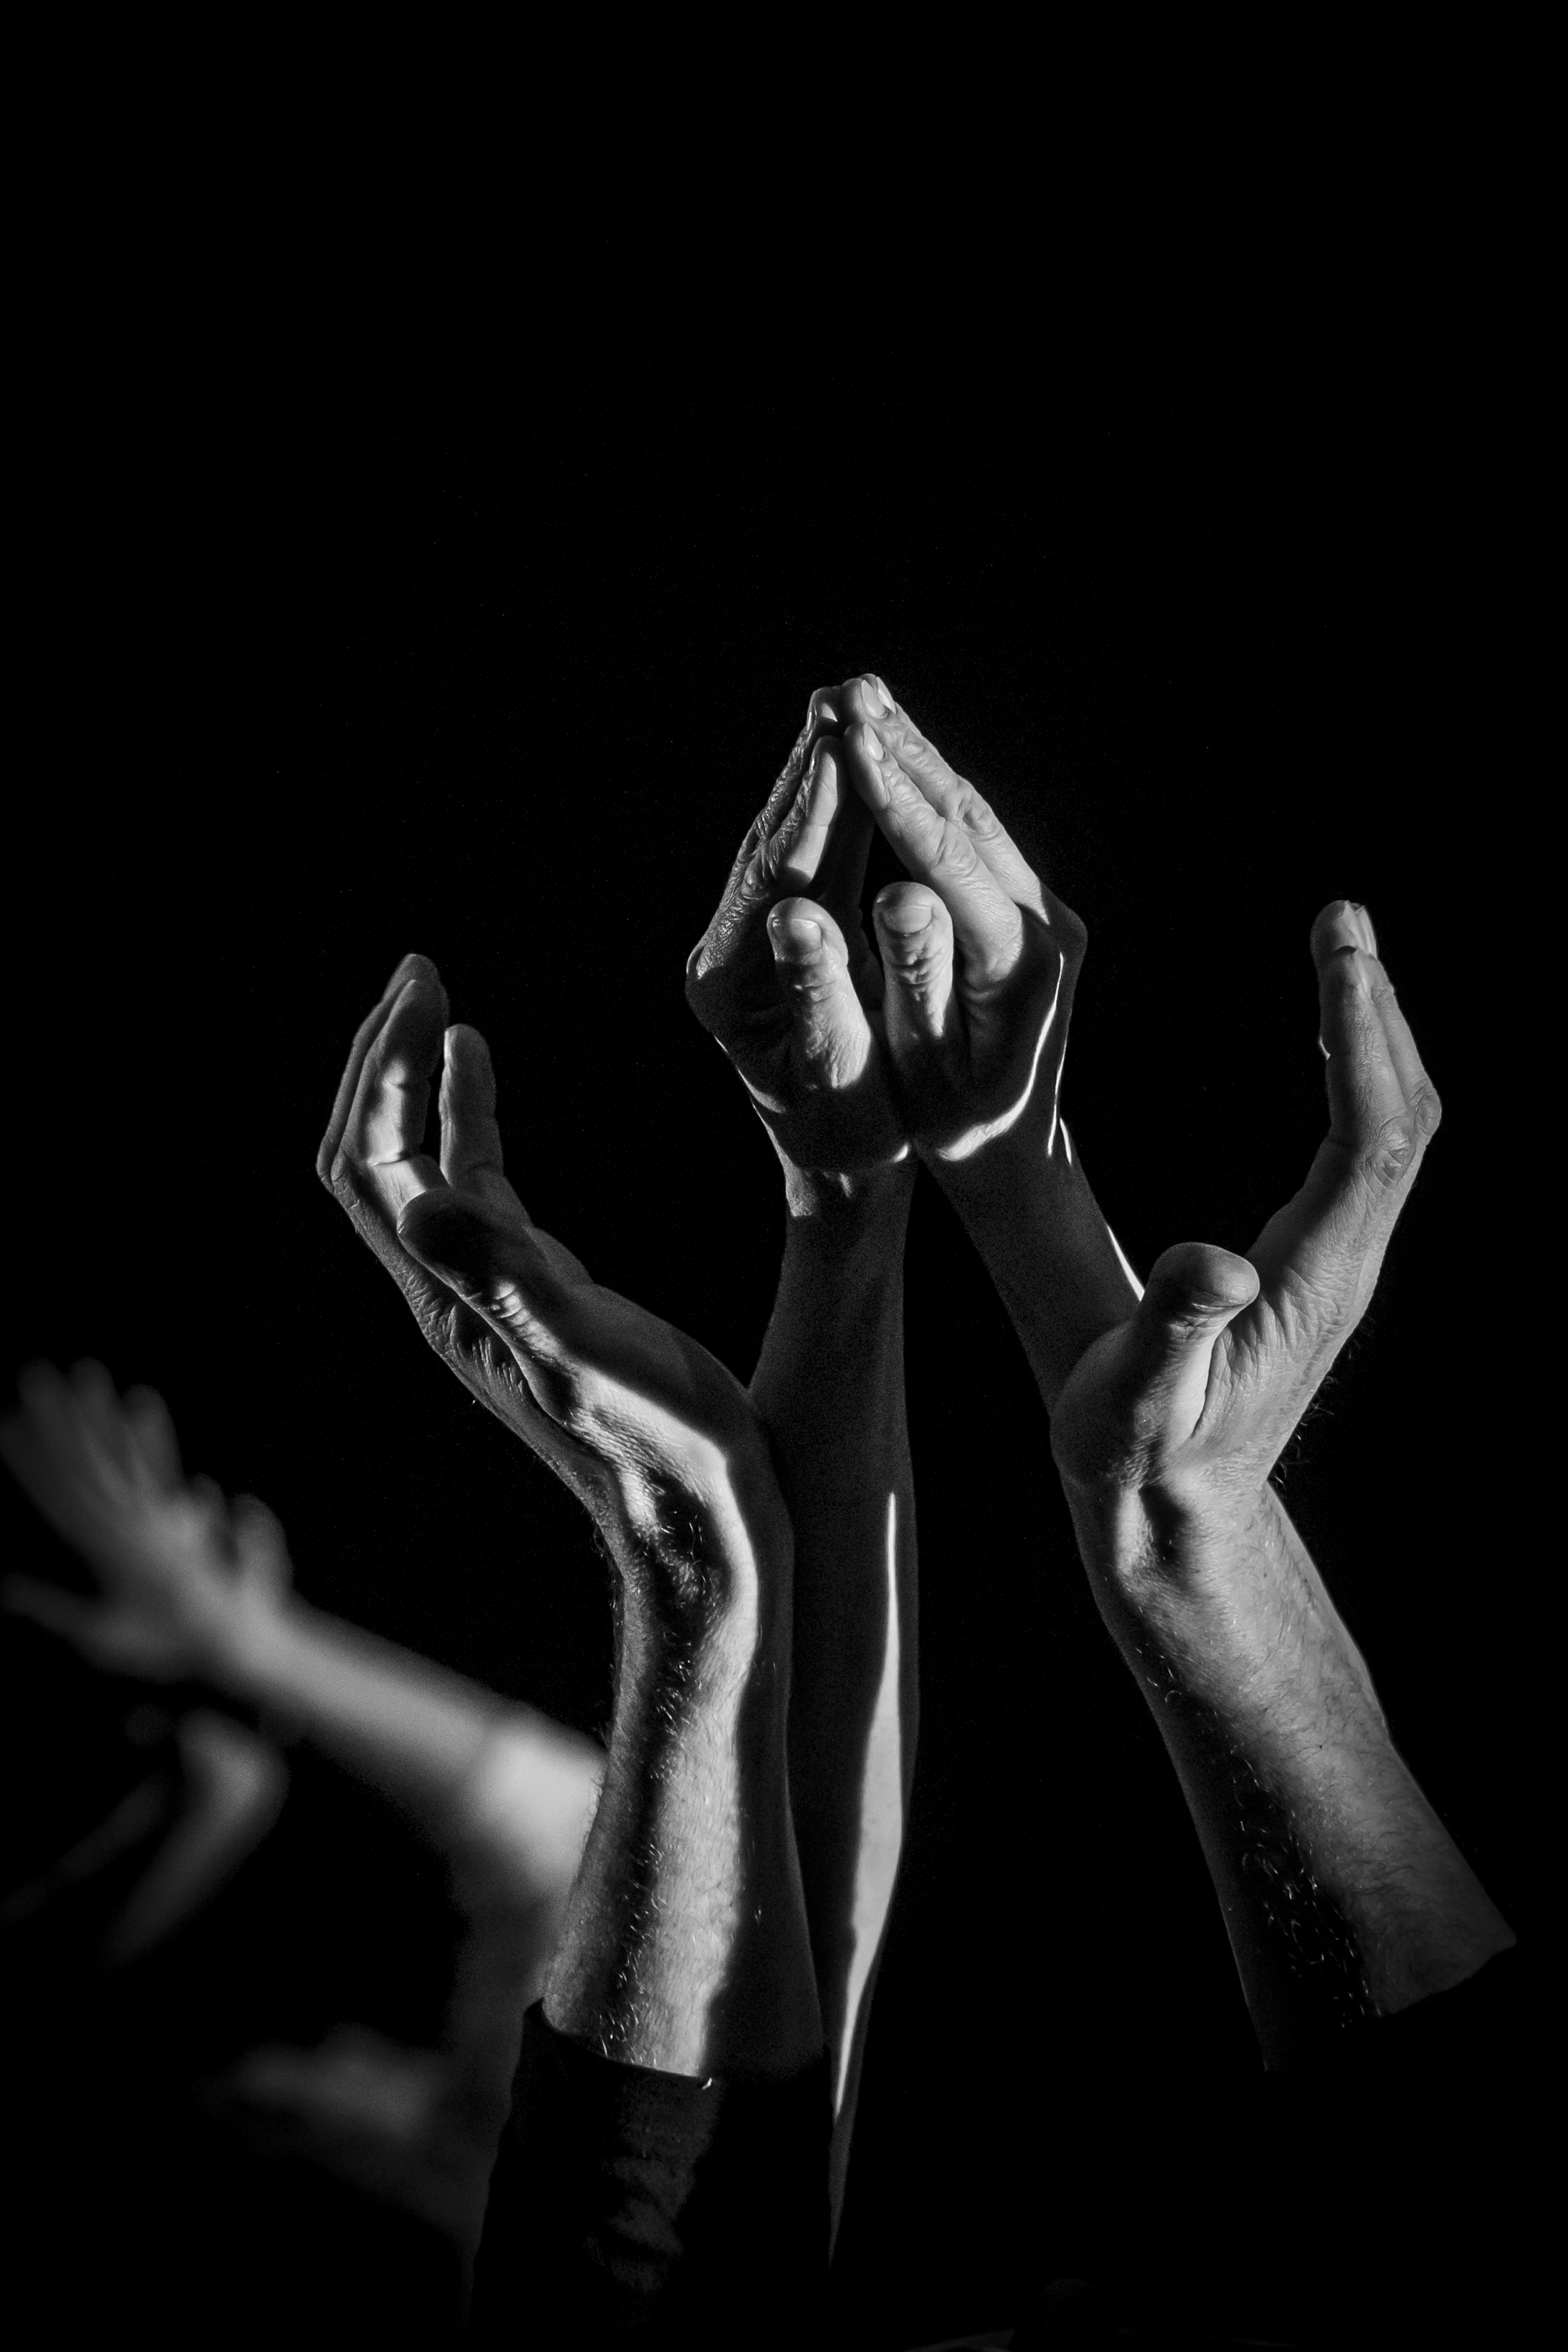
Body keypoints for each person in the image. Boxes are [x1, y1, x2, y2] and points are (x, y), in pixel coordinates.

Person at [2, 1363, 602, 2291]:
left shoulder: (516, 2219)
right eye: (276, 2103)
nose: (345, 2048)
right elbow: (590, 1863)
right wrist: (257, 1651)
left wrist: (251, 1669)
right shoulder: (524, 2214)